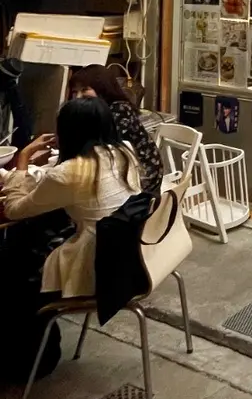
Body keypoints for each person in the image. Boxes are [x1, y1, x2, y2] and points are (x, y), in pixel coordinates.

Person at [0, 98, 144, 381]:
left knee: (13, 271)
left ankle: (25, 362)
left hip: (94, 267)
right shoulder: (124, 152)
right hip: (129, 257)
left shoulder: (70, 173)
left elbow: (15, 209)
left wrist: (24, 157)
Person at [69, 65, 163, 196]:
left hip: (143, 176)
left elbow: (102, 144)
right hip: (122, 168)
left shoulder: (120, 109)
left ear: (102, 88)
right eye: (75, 92)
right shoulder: (94, 110)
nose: (78, 97)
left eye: (85, 90)